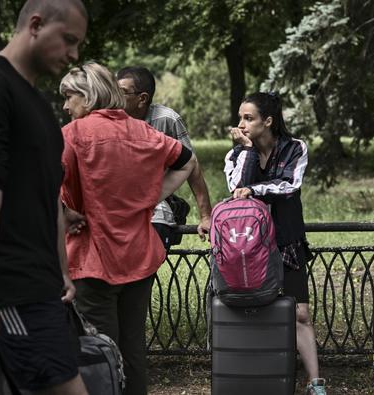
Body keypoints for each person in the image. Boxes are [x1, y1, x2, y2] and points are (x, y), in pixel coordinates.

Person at [0, 0, 89, 394]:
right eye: (68, 40)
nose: (75, 53)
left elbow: (42, 201)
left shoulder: (38, 106)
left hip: (38, 281)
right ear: (35, 24)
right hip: (14, 288)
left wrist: (61, 270)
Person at [59, 61, 197, 395]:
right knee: (133, 351)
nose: (65, 105)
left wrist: (64, 213)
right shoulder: (143, 131)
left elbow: (44, 192)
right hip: (139, 257)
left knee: (100, 352)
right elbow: (187, 161)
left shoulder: (71, 135)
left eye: (69, 96)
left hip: (93, 262)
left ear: (89, 97)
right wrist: (151, 198)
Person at [224, 92, 326, 395]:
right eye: (240, 118)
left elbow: (288, 185)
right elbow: (236, 186)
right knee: (255, 309)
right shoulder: (236, 154)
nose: (241, 124)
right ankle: (260, 373)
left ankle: (315, 381)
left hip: (287, 240)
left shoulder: (295, 148)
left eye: (249, 118)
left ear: (268, 121)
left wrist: (252, 192)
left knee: (300, 313)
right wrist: (248, 150)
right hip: (248, 247)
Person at [116, 67, 212, 249]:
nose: (114, 98)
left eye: (122, 93)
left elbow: (192, 167)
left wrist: (206, 216)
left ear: (142, 98)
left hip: (155, 196)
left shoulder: (167, 120)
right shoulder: (110, 119)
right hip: (117, 197)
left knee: (157, 227)